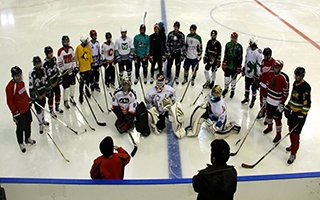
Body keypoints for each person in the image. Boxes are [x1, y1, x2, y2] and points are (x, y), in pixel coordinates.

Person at [284, 67, 311, 164]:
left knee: (295, 135)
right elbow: (292, 97)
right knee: (291, 131)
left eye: (298, 75)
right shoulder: (295, 83)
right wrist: (287, 107)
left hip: (299, 116)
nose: (296, 77)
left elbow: (307, 103)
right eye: (295, 75)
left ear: (302, 76)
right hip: (292, 113)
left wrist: (302, 116)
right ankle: (292, 145)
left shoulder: (306, 87)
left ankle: (293, 154)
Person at [6, 66, 36, 153]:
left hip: (26, 108)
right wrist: (15, 112)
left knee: (29, 122)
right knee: (20, 127)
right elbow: (9, 102)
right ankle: (21, 142)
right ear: (13, 76)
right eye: (17, 76)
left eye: (20, 75)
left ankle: (27, 138)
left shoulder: (21, 83)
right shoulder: (10, 87)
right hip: (19, 112)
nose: (19, 77)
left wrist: (28, 100)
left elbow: (24, 93)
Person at [146, 73, 185, 138]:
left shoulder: (170, 90)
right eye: (158, 83)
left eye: (161, 83)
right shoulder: (151, 93)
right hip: (158, 111)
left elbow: (173, 98)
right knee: (161, 126)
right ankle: (157, 124)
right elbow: (149, 104)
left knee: (175, 115)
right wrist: (154, 110)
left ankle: (177, 125)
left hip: (167, 109)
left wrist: (170, 102)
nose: (159, 85)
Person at [263, 60, 289, 143]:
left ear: (280, 68)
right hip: (269, 100)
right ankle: (270, 127)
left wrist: (281, 103)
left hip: (277, 103)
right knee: (269, 116)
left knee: (277, 119)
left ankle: (278, 134)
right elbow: (267, 85)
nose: (275, 68)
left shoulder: (283, 78)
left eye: (277, 67)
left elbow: (285, 93)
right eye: (274, 66)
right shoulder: (270, 73)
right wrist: (265, 97)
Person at [29, 56, 50, 134]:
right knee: (38, 110)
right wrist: (33, 96)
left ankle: (43, 120)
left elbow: (46, 80)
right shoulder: (31, 73)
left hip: (43, 92)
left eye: (39, 63)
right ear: (34, 64)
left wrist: (46, 91)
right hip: (37, 94)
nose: (38, 65)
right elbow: (31, 86)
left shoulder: (43, 69)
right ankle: (40, 124)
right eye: (37, 63)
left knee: (43, 107)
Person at [241, 37, 262, 108]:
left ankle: (253, 100)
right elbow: (246, 59)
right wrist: (244, 68)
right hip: (247, 73)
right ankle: (246, 97)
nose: (249, 44)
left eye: (251, 42)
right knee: (246, 86)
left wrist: (257, 75)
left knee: (253, 88)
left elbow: (259, 65)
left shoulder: (258, 53)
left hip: (253, 74)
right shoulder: (248, 49)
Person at [57, 35, 77, 109]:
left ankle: (72, 98)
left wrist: (75, 67)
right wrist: (63, 70)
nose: (66, 43)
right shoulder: (60, 51)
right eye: (65, 41)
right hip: (65, 73)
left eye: (67, 41)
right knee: (66, 88)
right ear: (62, 42)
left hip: (71, 71)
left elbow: (73, 59)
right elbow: (59, 63)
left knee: (73, 85)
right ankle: (65, 101)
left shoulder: (71, 49)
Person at [43, 46, 63, 117]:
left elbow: (57, 68)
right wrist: (48, 84)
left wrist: (59, 76)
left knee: (58, 94)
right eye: (49, 53)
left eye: (51, 52)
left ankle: (57, 107)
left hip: (56, 81)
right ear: (46, 54)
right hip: (50, 84)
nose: (51, 54)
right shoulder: (44, 64)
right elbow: (44, 76)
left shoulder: (54, 59)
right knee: (51, 97)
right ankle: (51, 110)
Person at [221, 32, 243, 98]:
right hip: (228, 65)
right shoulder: (227, 45)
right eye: (233, 38)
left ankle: (233, 90)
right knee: (226, 78)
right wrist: (224, 62)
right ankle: (226, 88)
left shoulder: (239, 47)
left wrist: (239, 66)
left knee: (233, 79)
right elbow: (225, 54)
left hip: (235, 66)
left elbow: (240, 57)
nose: (234, 39)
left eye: (235, 38)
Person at [257, 47, 276, 119]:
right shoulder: (263, 61)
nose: (264, 57)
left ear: (269, 55)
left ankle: (267, 116)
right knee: (261, 99)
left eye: (265, 55)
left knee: (267, 101)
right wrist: (258, 80)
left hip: (269, 86)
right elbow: (261, 72)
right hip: (262, 84)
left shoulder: (273, 63)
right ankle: (262, 111)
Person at [75, 35, 93, 104]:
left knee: (88, 81)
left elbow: (90, 56)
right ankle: (81, 95)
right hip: (82, 69)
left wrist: (91, 66)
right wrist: (77, 67)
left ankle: (87, 90)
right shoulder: (78, 48)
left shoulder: (88, 47)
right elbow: (76, 58)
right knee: (81, 83)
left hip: (88, 68)